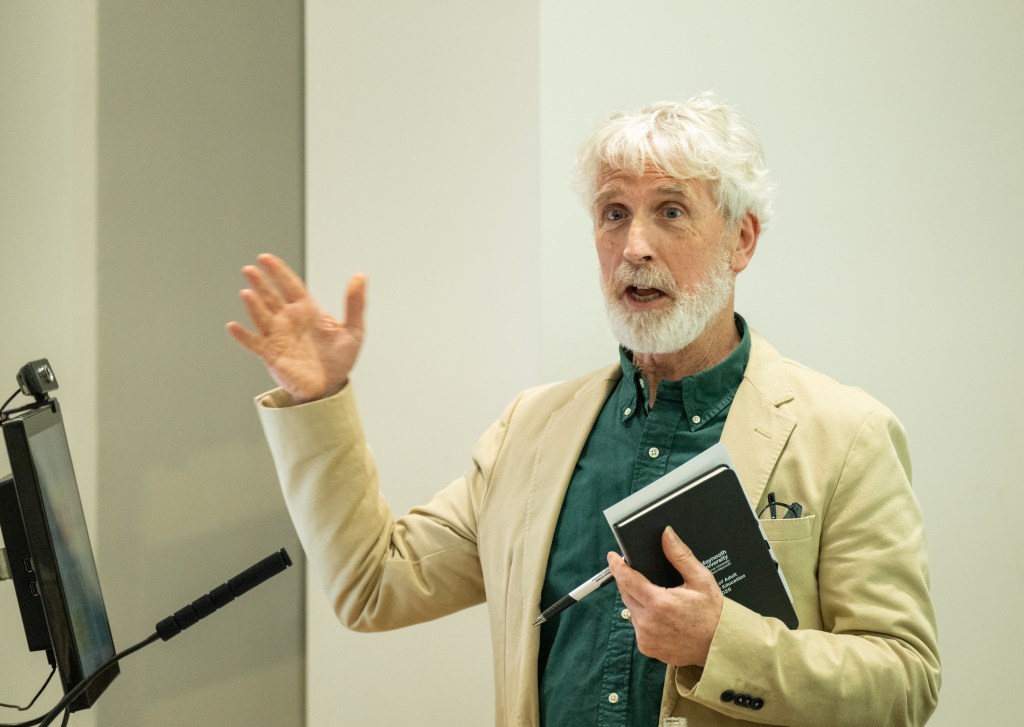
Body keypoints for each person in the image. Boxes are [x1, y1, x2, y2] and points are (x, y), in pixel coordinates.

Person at [227, 94, 940, 726]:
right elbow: (375, 584)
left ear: (741, 239)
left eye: (671, 212)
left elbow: (905, 683)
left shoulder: (845, 435)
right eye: (613, 213)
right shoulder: (530, 432)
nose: (635, 246)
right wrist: (318, 400)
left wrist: (721, 644)